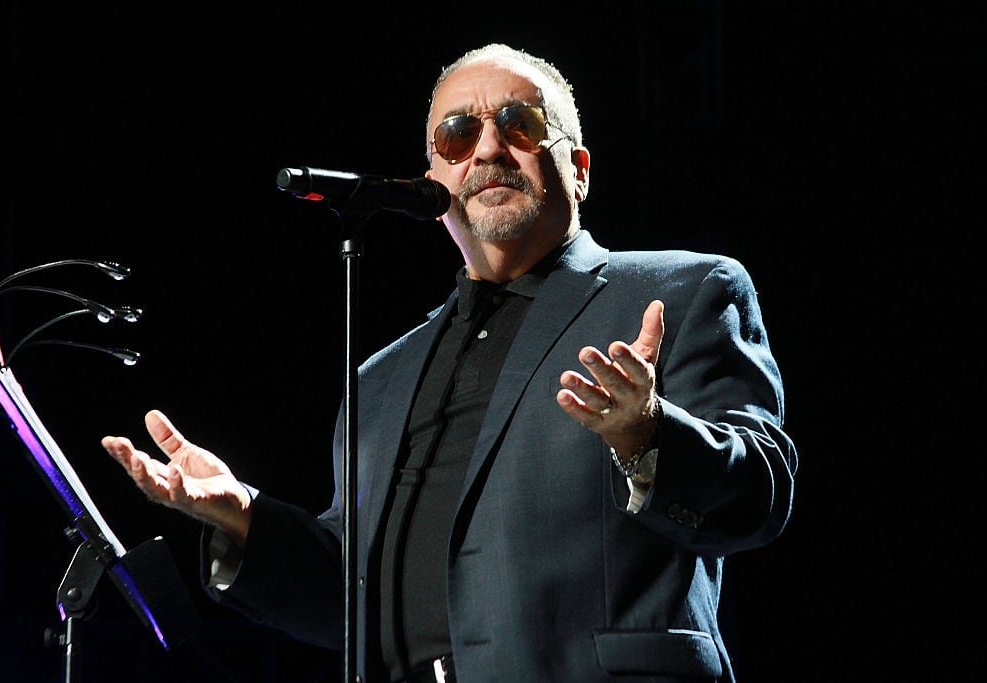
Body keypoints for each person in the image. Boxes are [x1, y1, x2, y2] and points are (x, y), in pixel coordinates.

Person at [101, 43, 797, 682]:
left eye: (519, 125)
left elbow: (760, 493)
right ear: (434, 182)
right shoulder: (378, 381)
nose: (488, 148)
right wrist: (244, 515)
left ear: (578, 170)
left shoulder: (683, 292)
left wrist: (646, 434)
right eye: (459, 136)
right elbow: (351, 598)